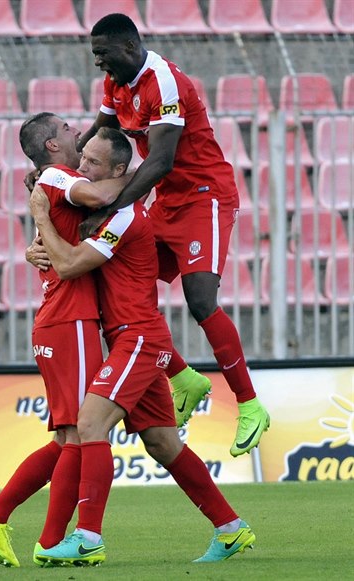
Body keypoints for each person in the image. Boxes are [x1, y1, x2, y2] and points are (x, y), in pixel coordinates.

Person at [30, 126, 256, 567]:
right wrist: (34, 247)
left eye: (93, 163)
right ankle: (231, 529)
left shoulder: (123, 214)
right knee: (163, 444)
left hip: (136, 337)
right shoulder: (112, 207)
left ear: (119, 170)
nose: (83, 168)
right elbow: (65, 246)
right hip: (133, 338)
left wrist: (40, 215)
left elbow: (72, 265)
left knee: (89, 425)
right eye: (83, 160)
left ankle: (88, 536)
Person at [75, 13, 270, 458]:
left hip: (205, 198)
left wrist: (110, 206)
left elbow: (160, 160)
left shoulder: (162, 82)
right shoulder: (117, 83)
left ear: (128, 47)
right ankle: (183, 377)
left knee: (200, 300)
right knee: (119, 284)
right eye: (95, 56)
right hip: (165, 201)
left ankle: (250, 404)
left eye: (103, 55)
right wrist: (62, 173)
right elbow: (100, 135)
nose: (99, 64)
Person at [0, 112, 131, 567]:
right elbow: (101, 192)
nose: (76, 131)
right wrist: (152, 168)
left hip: (58, 322)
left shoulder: (52, 179)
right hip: (71, 320)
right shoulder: (60, 176)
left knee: (67, 440)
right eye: (65, 129)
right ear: (52, 146)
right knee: (81, 435)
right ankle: (48, 539)